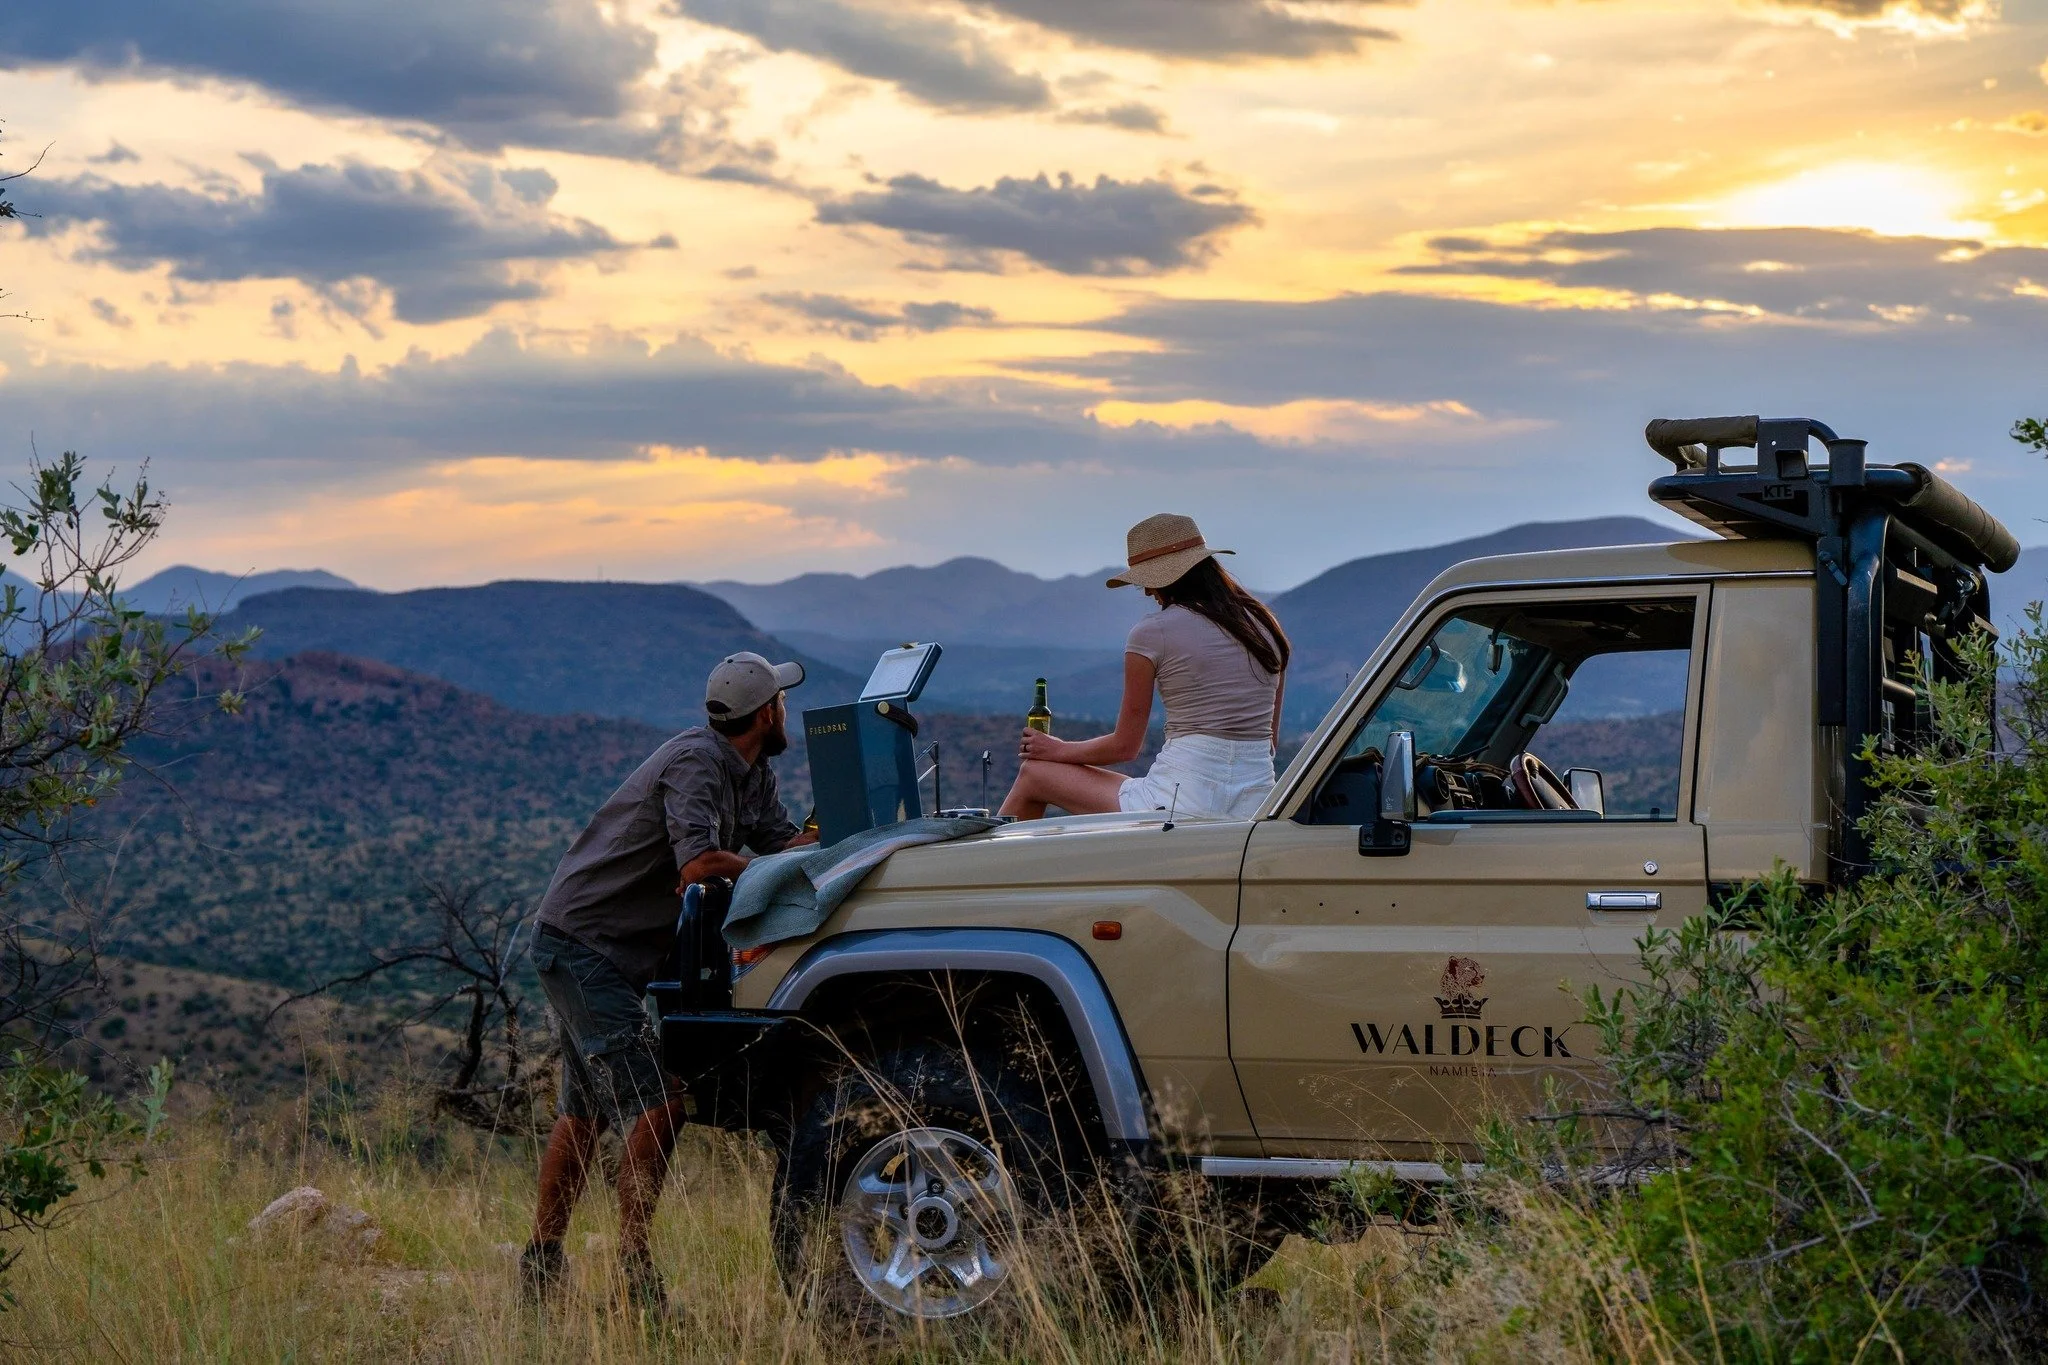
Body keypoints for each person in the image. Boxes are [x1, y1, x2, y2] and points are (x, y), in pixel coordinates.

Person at [518, 651, 815, 1312]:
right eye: (782, 702)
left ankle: (540, 1265)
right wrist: (766, 868)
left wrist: (833, 840)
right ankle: (636, 1270)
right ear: (766, 712)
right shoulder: (696, 763)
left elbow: (782, 839)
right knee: (662, 1102)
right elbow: (698, 865)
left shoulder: (751, 770)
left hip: (607, 957)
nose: (785, 711)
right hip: (582, 945)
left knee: (585, 1109)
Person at [999, 513, 1289, 822]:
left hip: (1180, 800)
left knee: (1035, 773)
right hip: (1256, 802)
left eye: (1147, 583)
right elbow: (1268, 741)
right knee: (1128, 786)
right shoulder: (1264, 626)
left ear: (1165, 579)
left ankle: (986, 868)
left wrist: (1055, 749)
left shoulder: (1153, 632)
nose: (1148, 593)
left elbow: (1124, 747)